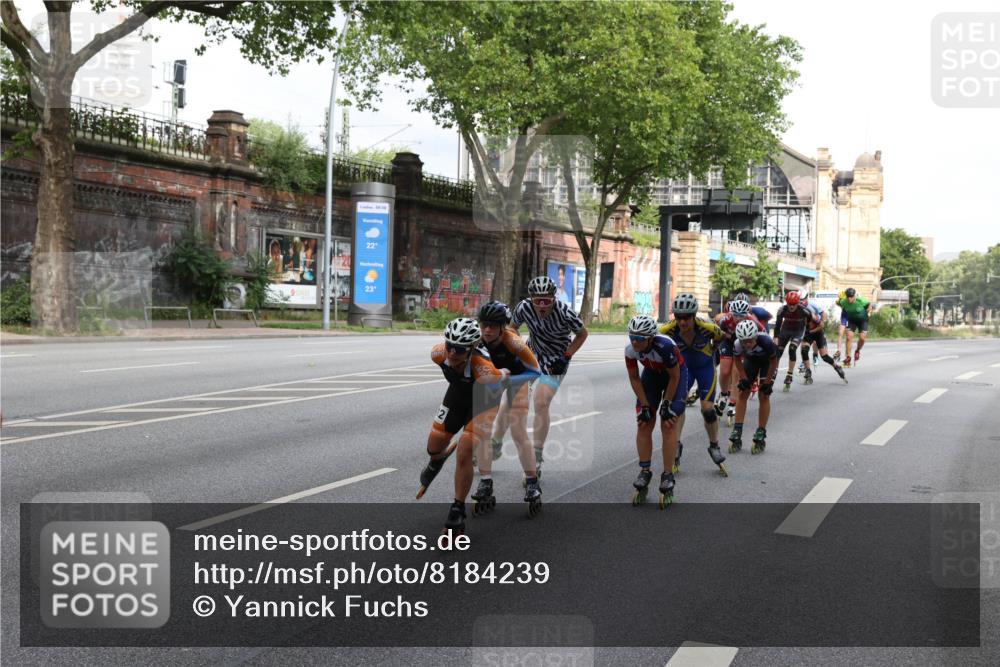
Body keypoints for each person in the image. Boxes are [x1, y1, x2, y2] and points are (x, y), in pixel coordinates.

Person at [416, 318, 511, 534]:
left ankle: (457, 509)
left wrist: (506, 373)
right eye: (450, 346)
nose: (452, 353)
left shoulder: (484, 369)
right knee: (433, 445)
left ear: (471, 348)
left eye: (459, 349)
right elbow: (447, 355)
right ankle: (437, 458)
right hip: (458, 394)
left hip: (484, 401)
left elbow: (503, 377)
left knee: (465, 450)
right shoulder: (438, 354)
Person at [509, 275, 589, 479]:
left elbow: (582, 334)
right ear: (531, 300)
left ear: (554, 299)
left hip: (556, 359)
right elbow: (511, 328)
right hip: (532, 353)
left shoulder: (564, 312)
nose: (542, 306)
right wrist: (517, 347)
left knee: (541, 402)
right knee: (517, 401)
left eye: (547, 301)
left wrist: (567, 356)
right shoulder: (523, 307)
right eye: (538, 301)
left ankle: (537, 454)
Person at [472, 301, 543, 516]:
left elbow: (535, 372)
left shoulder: (513, 342)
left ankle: (532, 481)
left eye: (493, 325)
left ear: (504, 326)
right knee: (481, 430)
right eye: (484, 325)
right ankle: (485, 481)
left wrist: (507, 379)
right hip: (493, 381)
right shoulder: (476, 341)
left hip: (518, 380)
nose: (488, 330)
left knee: (518, 429)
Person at [658, 293, 728, 476]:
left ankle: (714, 445)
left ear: (694, 315)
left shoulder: (707, 328)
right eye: (678, 317)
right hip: (684, 371)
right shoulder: (667, 331)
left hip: (705, 368)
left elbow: (722, 337)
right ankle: (677, 445)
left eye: (687, 317)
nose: (682, 322)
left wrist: (713, 350)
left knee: (708, 410)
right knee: (678, 409)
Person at [624, 314, 686, 507]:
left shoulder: (665, 346)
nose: (635, 342)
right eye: (632, 337)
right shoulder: (630, 351)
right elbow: (635, 379)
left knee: (668, 424)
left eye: (640, 338)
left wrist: (667, 403)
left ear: (650, 337)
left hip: (674, 378)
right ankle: (645, 471)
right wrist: (644, 406)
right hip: (651, 376)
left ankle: (668, 475)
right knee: (643, 422)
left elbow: (674, 377)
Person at [730, 319, 779, 454]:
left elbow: (773, 362)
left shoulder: (766, 341)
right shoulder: (737, 344)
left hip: (768, 363)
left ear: (755, 336)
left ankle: (761, 431)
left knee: (763, 395)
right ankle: (737, 429)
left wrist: (767, 382)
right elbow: (737, 361)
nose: (747, 343)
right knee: (743, 392)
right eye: (744, 341)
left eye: (750, 340)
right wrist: (744, 379)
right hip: (752, 360)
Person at [715, 298, 765, 426]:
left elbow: (763, 333)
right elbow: (718, 332)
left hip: (742, 343)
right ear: (731, 313)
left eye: (741, 316)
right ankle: (724, 393)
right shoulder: (725, 319)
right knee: (725, 371)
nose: (738, 318)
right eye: (735, 315)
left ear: (746, 314)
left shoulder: (752, 319)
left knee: (737, 373)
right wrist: (725, 338)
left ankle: (733, 402)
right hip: (728, 341)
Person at [773, 291, 820, 393]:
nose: (791, 307)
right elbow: (777, 326)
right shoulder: (782, 310)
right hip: (785, 330)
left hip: (798, 331)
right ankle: (774, 371)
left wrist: (812, 332)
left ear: (798, 303)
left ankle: (789, 375)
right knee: (778, 352)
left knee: (792, 349)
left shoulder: (804, 310)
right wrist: (775, 338)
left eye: (793, 305)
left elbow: (816, 321)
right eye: (789, 304)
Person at [799, 297, 848, 384]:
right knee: (804, 351)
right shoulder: (797, 312)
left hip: (817, 332)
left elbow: (821, 325)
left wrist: (821, 322)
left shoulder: (811, 313)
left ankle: (837, 367)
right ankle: (808, 371)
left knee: (824, 356)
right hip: (808, 333)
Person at [837, 288, 873, 366]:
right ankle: (848, 357)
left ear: (854, 296)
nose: (850, 298)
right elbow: (839, 302)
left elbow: (869, 305)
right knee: (849, 337)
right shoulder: (844, 302)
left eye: (851, 296)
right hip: (852, 320)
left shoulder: (860, 300)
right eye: (848, 297)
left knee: (862, 338)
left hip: (863, 320)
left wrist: (868, 310)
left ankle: (857, 350)